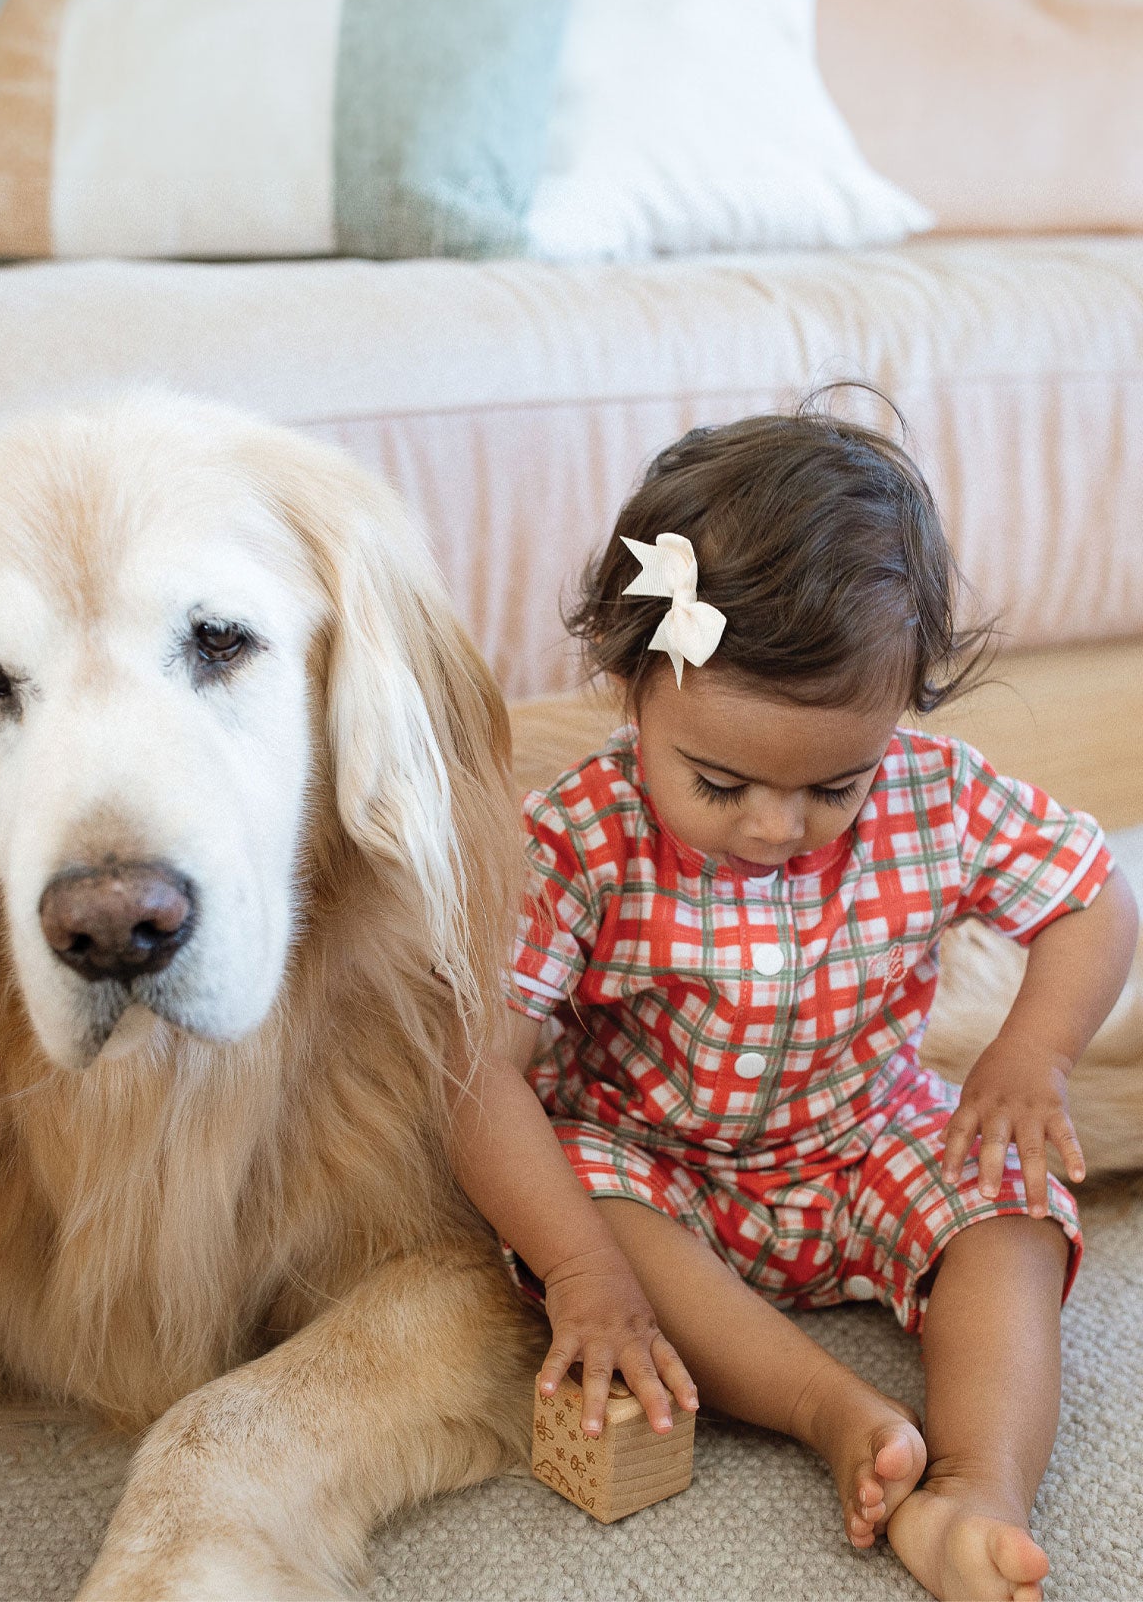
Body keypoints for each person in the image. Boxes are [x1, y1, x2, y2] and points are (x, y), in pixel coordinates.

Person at [447, 403, 1137, 1602]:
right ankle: (831, 1412)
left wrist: (1029, 1052)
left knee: (1012, 1202)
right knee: (587, 1207)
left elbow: (1090, 896)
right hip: (657, 1159)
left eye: (833, 786)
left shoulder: (934, 796)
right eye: (717, 782)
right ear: (631, 695)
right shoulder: (578, 839)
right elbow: (470, 1074)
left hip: (865, 1137)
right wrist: (575, 1272)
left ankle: (976, 1486)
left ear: (899, 715)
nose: (774, 827)